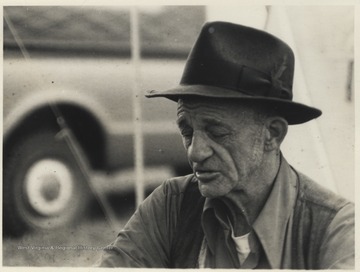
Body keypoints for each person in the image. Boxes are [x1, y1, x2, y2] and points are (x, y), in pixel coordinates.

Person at [97, 21, 354, 269]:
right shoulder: (171, 205)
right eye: (187, 130)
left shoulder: (337, 229)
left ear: (272, 135)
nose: (194, 152)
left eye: (217, 132)